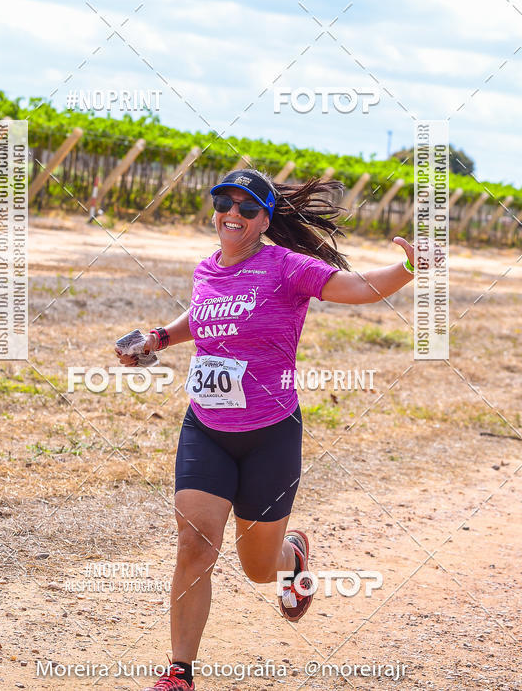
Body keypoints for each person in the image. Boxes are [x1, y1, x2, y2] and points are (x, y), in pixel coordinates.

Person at [115, 167, 419, 691]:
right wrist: (161, 337)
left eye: (247, 208)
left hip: (270, 435)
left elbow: (358, 287)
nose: (233, 214)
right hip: (206, 427)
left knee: (258, 568)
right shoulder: (206, 268)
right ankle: (179, 672)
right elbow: (204, 316)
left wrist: (411, 268)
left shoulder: (288, 267)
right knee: (194, 545)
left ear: (264, 219)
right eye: (224, 203)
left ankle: (292, 557)